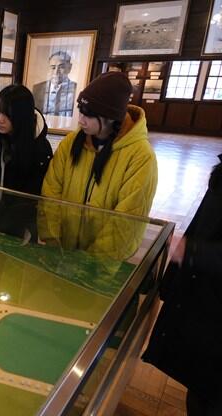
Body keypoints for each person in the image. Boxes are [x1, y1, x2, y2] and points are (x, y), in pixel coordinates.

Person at [39, 71, 157, 259]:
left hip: (102, 263)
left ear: (110, 117)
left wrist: (93, 262)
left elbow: (127, 221)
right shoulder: (71, 142)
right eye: (80, 111)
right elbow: (51, 191)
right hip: (62, 251)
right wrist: (53, 240)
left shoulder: (140, 156)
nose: (81, 120)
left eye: (89, 115)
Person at [143, 157, 222, 415]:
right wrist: (173, 279)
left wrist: (191, 251)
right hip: (204, 297)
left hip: (211, 296)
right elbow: (202, 223)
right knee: (200, 386)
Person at [0, 84, 53, 195]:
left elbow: (34, 194)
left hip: (22, 206)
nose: (0, 120)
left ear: (22, 117)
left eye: (8, 115)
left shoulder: (40, 149)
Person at [32, 51, 77, 117]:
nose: (56, 72)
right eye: (53, 67)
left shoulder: (77, 89)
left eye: (61, 67)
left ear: (69, 68)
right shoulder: (36, 88)